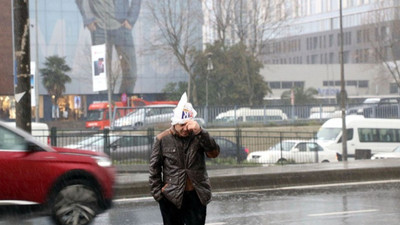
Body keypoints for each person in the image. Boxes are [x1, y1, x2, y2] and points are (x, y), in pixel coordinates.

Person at [149, 93, 220, 225]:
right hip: (171, 196)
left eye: (187, 124)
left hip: (196, 195)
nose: (185, 129)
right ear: (175, 123)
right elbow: (154, 169)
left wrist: (200, 131)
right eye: (181, 125)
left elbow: (214, 153)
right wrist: (159, 195)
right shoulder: (162, 139)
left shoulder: (198, 136)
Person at [75, 0, 141, 94]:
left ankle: (122, 103)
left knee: (131, 73)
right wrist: (88, 20)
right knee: (100, 75)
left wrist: (131, 19)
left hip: (122, 27)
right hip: (99, 31)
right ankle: (106, 105)